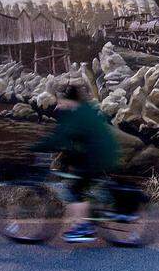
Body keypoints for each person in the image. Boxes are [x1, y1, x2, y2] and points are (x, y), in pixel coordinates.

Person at [28, 87, 121, 243]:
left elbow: (61, 137)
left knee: (74, 189)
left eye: (60, 102)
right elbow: (73, 138)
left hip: (97, 157)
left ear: (69, 101)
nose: (57, 106)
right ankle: (93, 212)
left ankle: (83, 228)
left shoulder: (76, 116)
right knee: (82, 180)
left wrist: (36, 147)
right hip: (102, 153)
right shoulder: (84, 110)